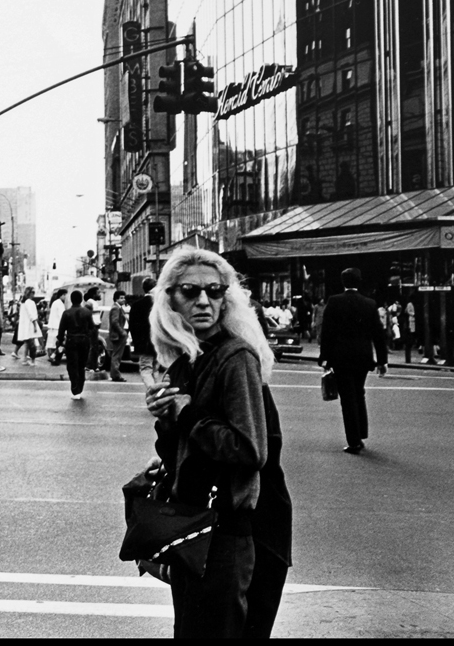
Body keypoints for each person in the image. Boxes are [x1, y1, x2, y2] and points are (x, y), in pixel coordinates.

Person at [142, 247, 273, 638]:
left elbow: (251, 451)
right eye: (190, 291)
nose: (204, 301)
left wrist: (187, 414)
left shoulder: (235, 358)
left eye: (215, 291)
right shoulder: (188, 359)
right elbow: (181, 448)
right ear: (170, 299)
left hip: (224, 529)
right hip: (192, 524)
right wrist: (166, 418)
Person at [318, 267, 387, 455]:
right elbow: (378, 334)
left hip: (340, 357)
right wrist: (382, 360)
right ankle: (361, 432)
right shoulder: (370, 304)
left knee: (347, 399)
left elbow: (327, 332)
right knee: (359, 393)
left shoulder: (334, 301)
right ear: (359, 282)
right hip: (363, 356)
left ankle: (354, 441)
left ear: (343, 282)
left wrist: (324, 356)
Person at [56, 290, 96, 400]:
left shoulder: (67, 313)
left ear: (71, 299)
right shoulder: (87, 312)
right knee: (81, 365)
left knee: (72, 365)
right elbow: (92, 327)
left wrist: (60, 342)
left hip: (71, 341)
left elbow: (61, 331)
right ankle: (80, 387)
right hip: (84, 341)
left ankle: (75, 387)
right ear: (81, 299)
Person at [129, 278, 158, 386]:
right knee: (155, 369)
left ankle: (154, 392)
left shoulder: (137, 305)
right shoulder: (160, 304)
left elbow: (132, 326)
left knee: (146, 369)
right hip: (158, 342)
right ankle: (157, 391)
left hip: (144, 343)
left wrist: (137, 342)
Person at [10, 287, 40, 365]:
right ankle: (32, 360)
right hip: (30, 325)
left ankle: (24, 360)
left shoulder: (23, 303)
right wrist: (35, 325)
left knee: (26, 343)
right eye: (33, 292)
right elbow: (31, 314)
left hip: (24, 326)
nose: (34, 294)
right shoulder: (30, 302)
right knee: (32, 345)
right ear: (30, 293)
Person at [106, 289, 129, 382]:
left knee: (117, 355)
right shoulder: (116, 308)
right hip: (118, 335)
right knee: (116, 356)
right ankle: (116, 375)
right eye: (121, 298)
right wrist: (122, 332)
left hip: (118, 335)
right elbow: (114, 322)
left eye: (124, 298)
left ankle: (115, 374)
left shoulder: (119, 307)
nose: (124, 300)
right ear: (116, 299)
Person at [46, 289, 67, 364]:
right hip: (57, 327)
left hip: (52, 326)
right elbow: (62, 316)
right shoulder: (60, 304)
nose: (65, 297)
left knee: (53, 344)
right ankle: (53, 356)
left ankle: (52, 356)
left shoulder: (54, 303)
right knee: (60, 344)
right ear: (61, 295)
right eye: (65, 295)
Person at [398, 291, 415, 363]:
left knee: (408, 343)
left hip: (410, 324)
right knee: (408, 343)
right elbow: (409, 312)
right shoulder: (410, 304)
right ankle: (408, 359)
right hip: (410, 324)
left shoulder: (410, 304)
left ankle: (408, 359)